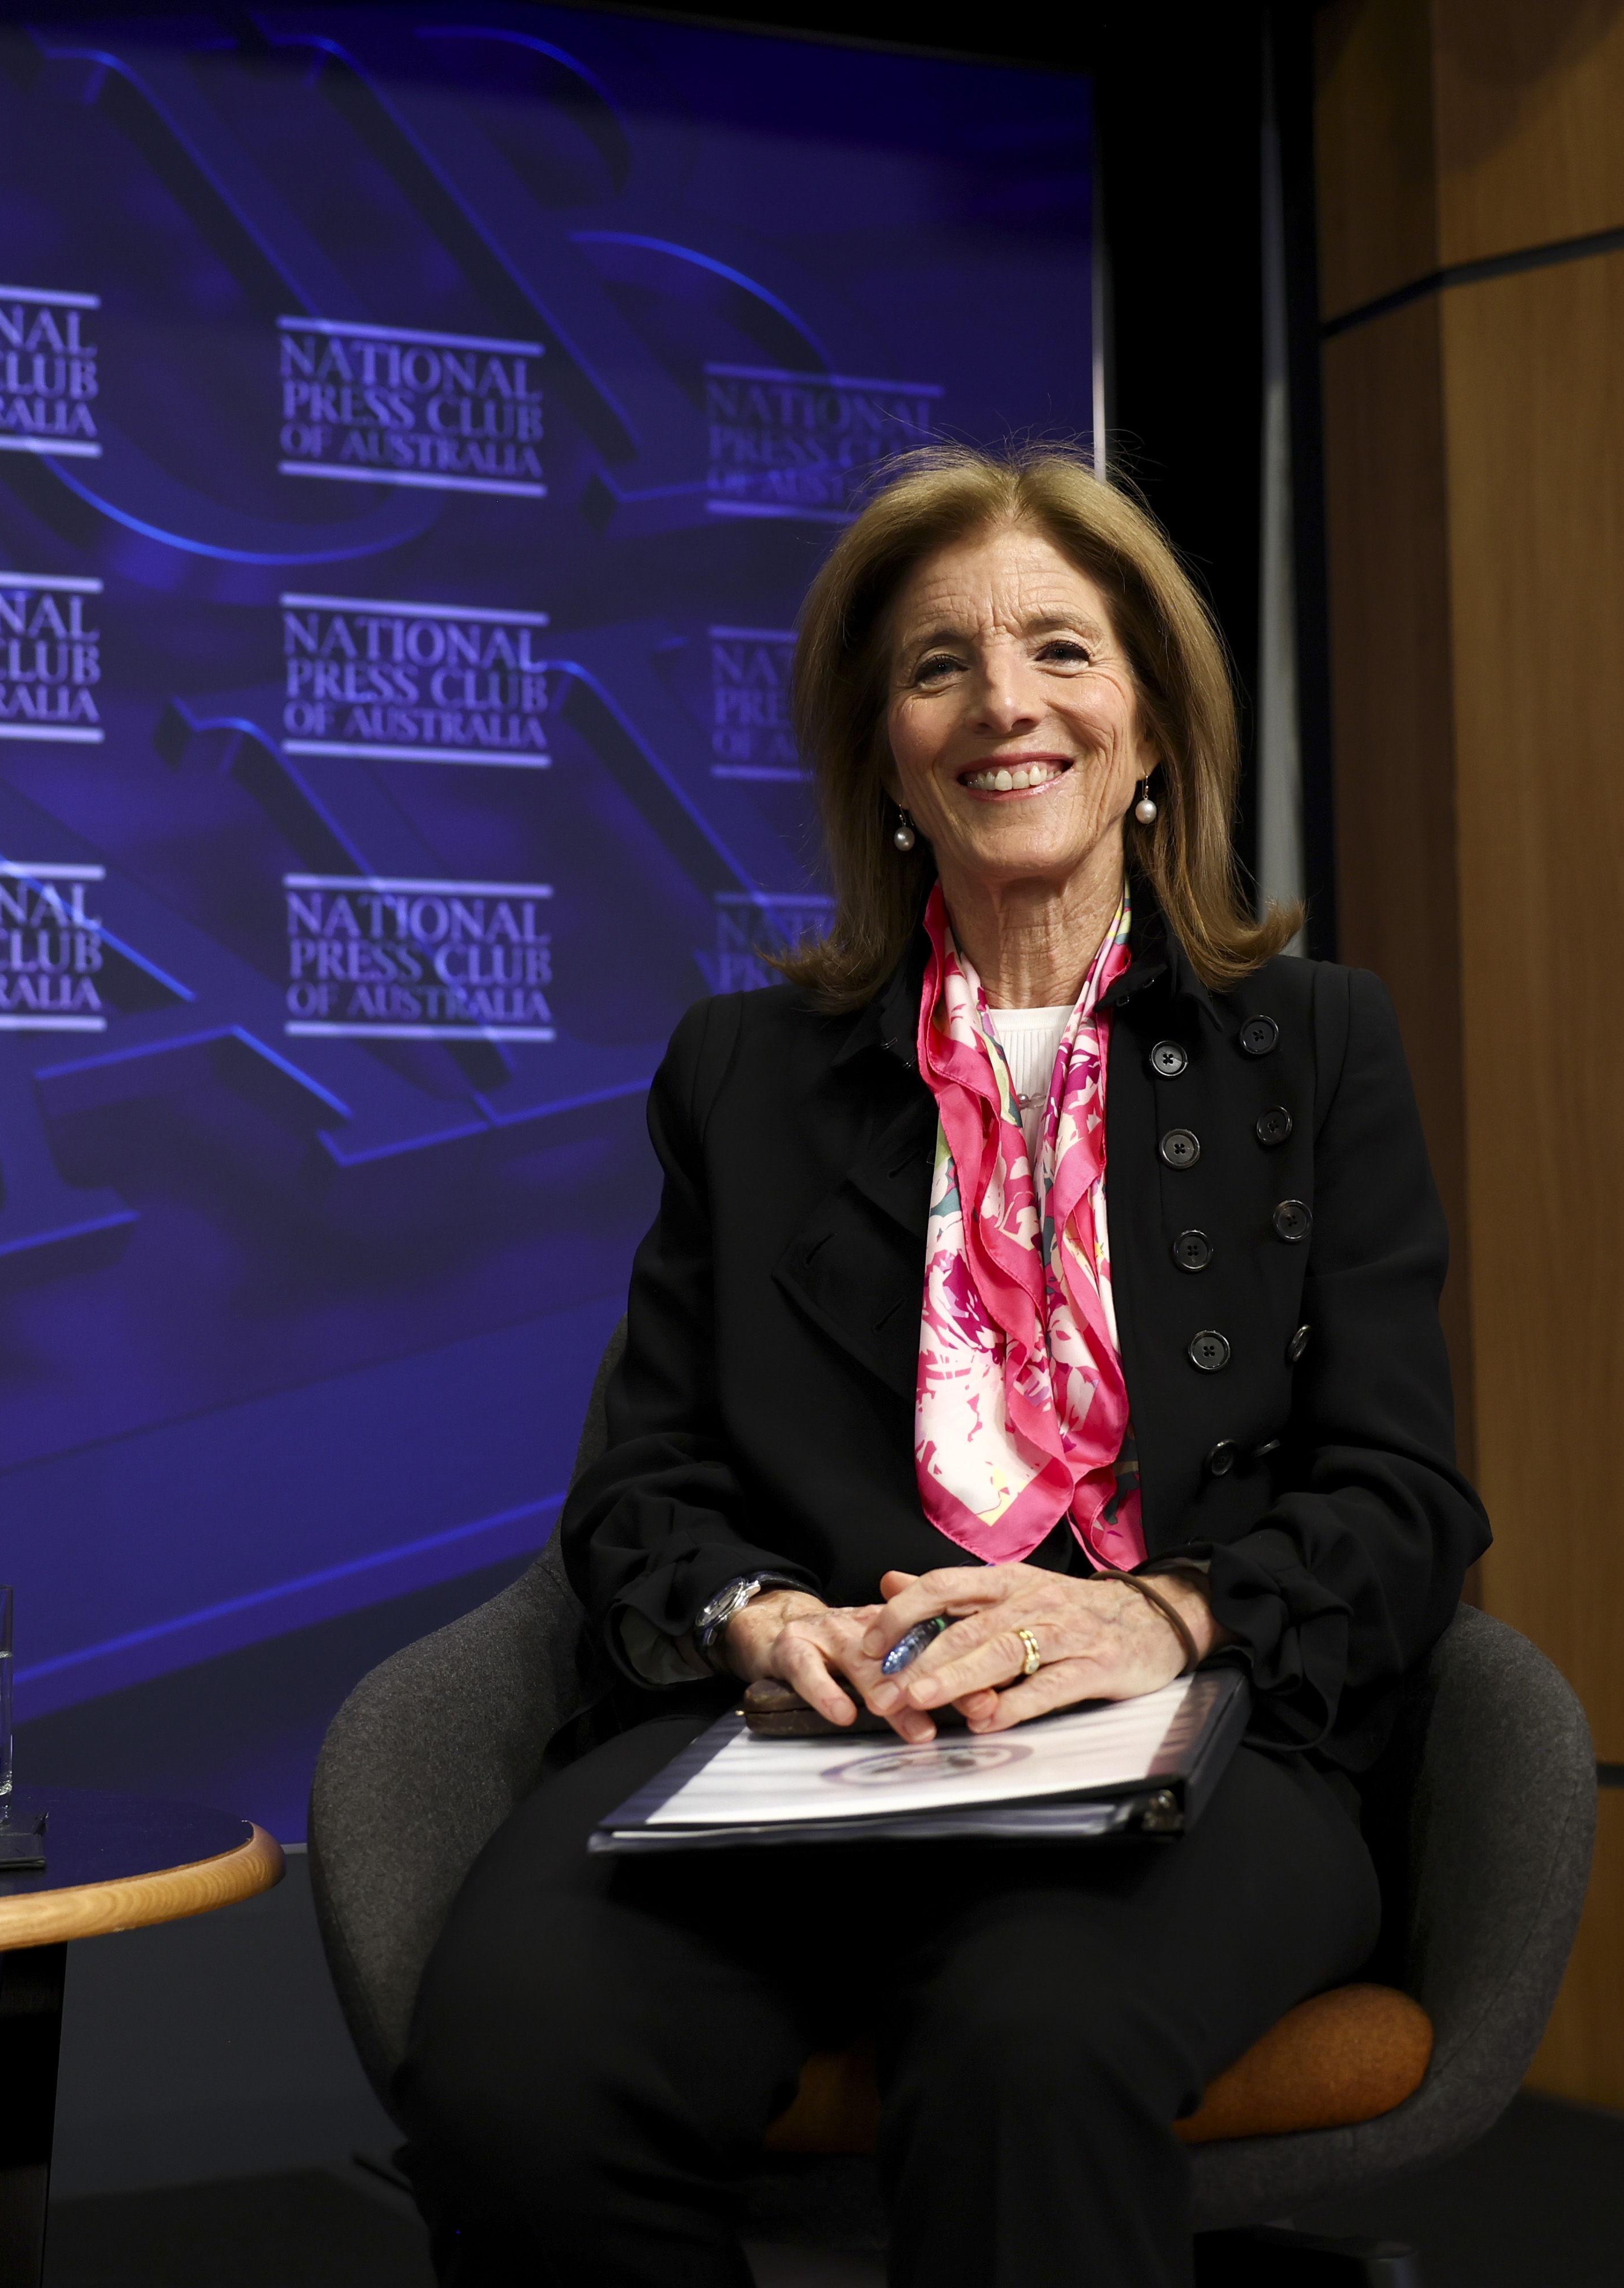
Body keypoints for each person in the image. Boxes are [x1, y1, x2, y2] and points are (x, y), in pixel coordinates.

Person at [393, 444, 1488, 2288]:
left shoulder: (1313, 1047)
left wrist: (1156, 1620)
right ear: (886, 756)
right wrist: (755, 1616)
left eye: (1062, 651)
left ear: (1148, 727)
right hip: (810, 1753)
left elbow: (1404, 1497)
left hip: (1185, 1757)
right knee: (514, 2070)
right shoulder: (742, 1074)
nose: (1005, 705)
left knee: (1026, 2049)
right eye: (937, 668)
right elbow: (640, 1493)